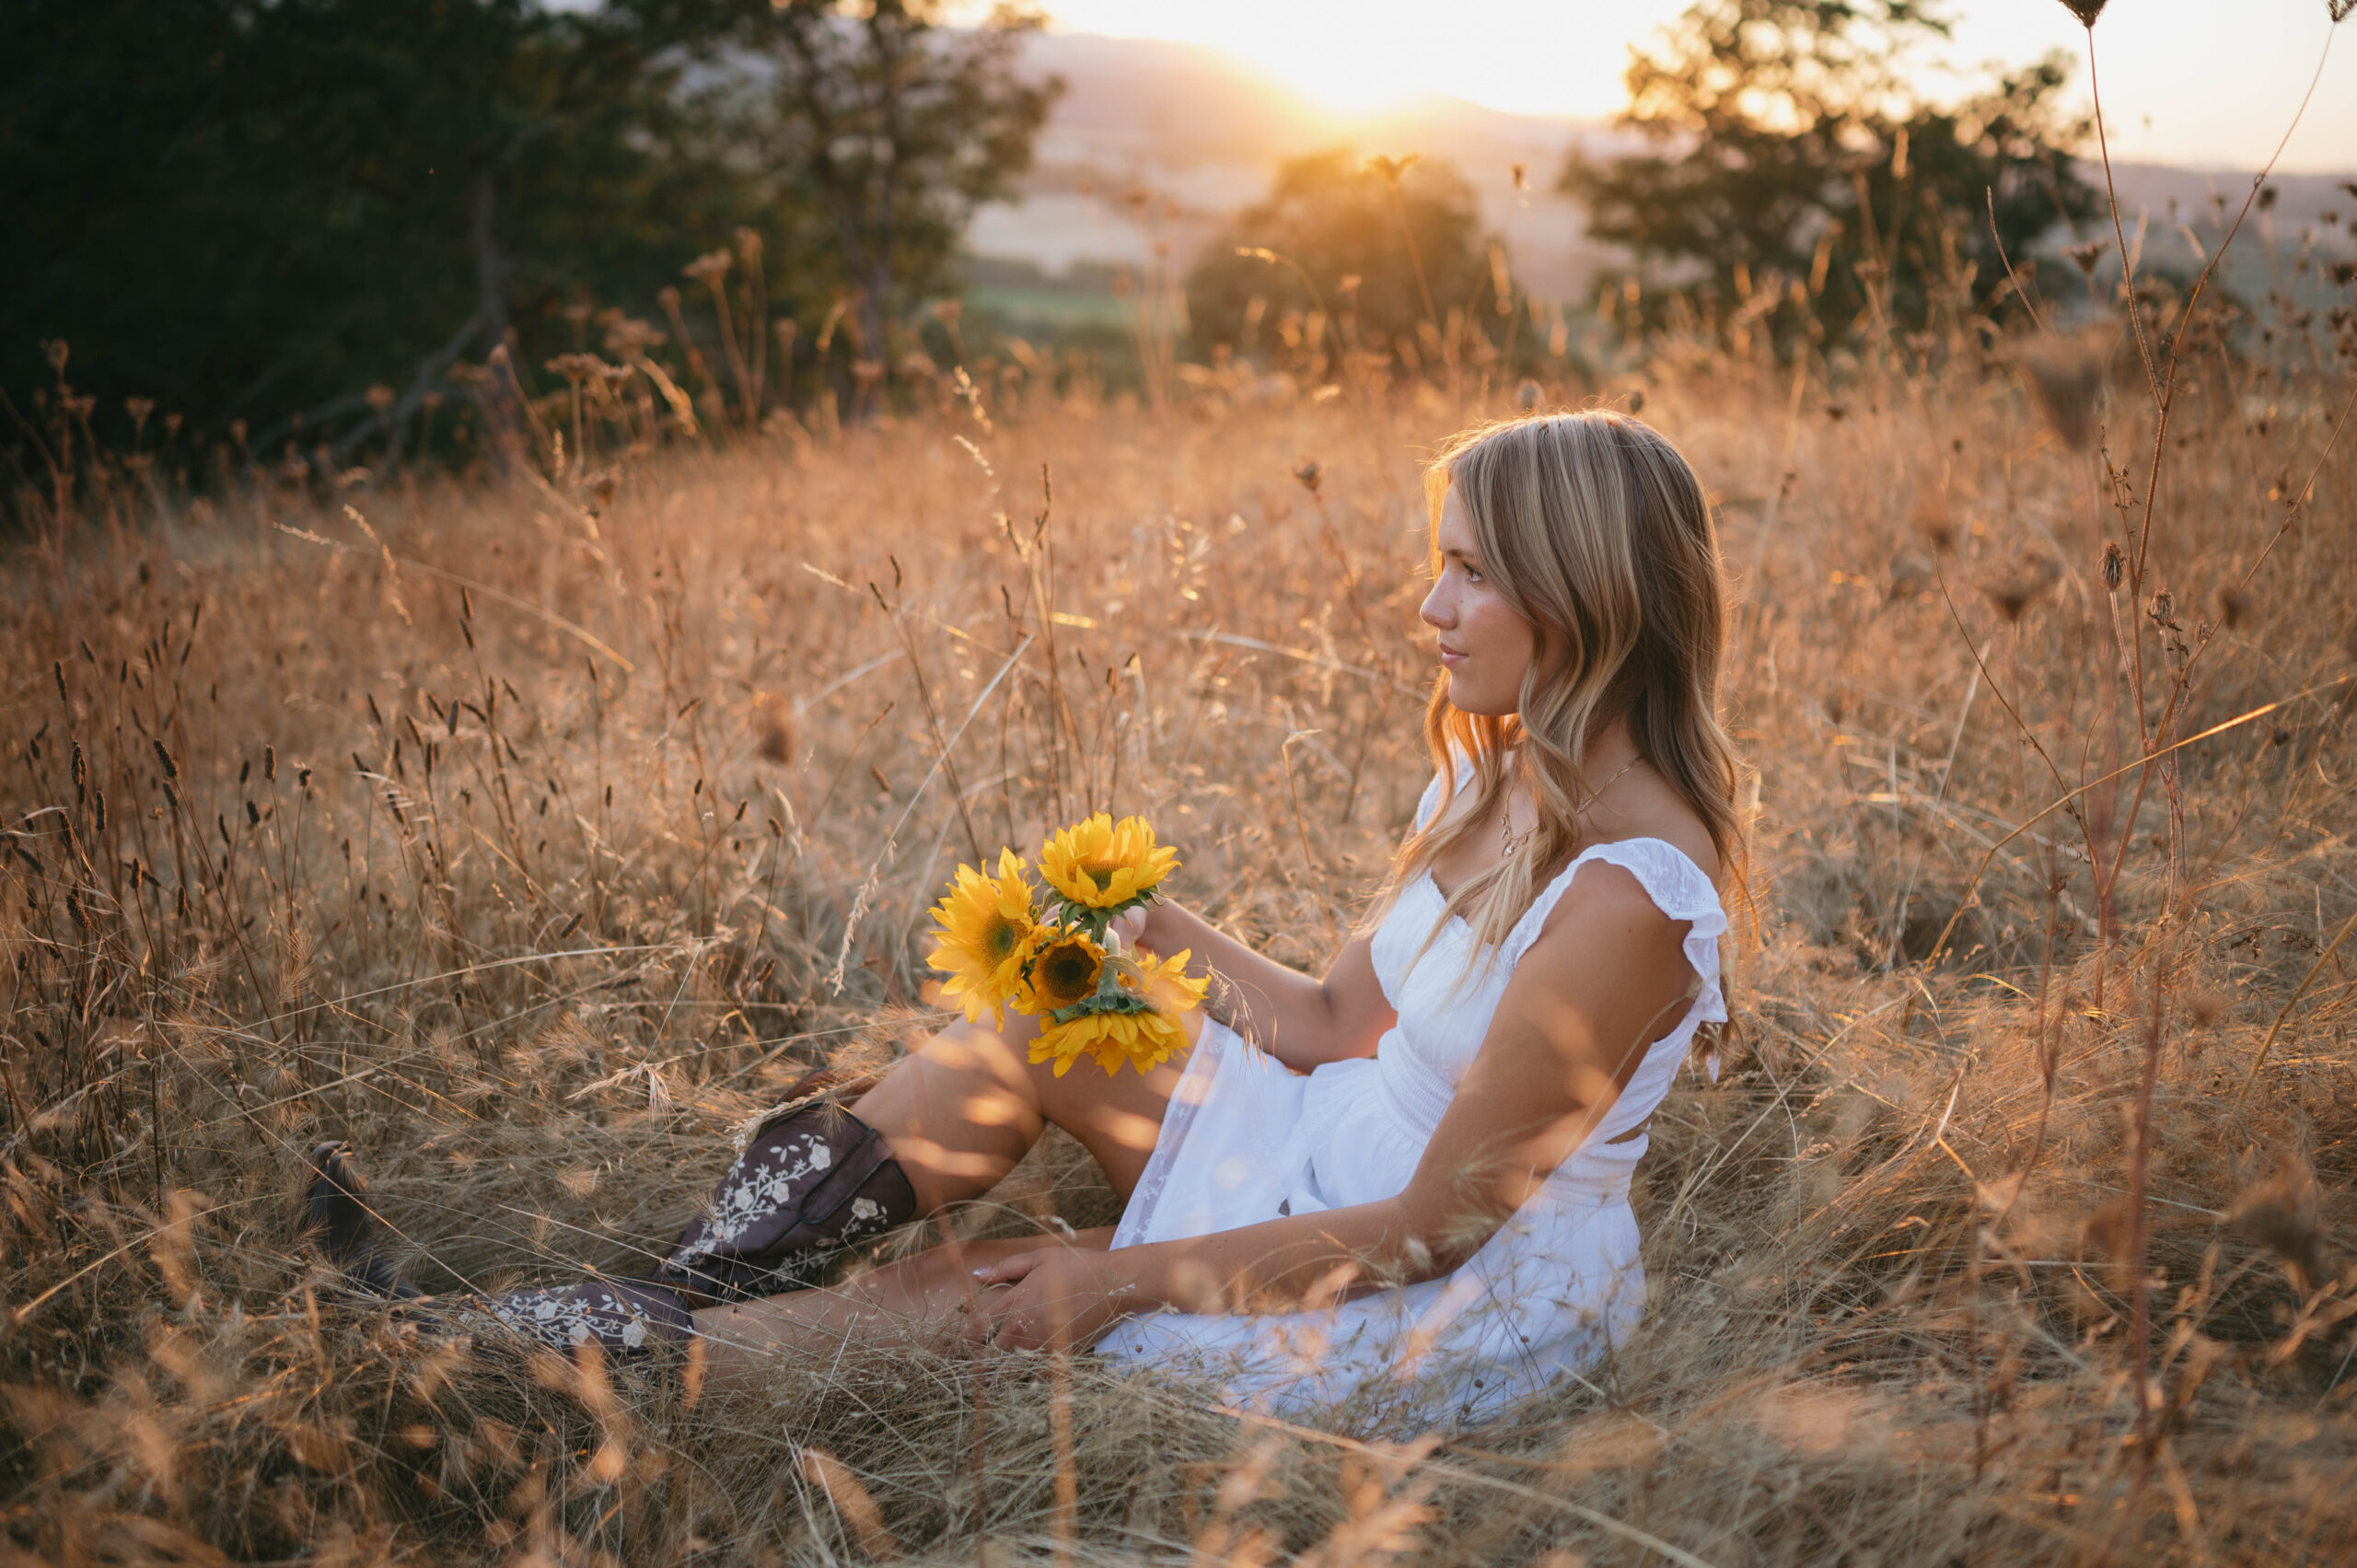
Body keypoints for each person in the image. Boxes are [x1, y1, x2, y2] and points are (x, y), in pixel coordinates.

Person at [303, 409, 1739, 1429]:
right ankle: (661, 1290)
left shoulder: (1630, 898)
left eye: (1473, 570)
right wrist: (1148, 920)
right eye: (1444, 560)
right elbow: (1322, 1024)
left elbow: (1435, 1230)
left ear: (1583, 588)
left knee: (982, 1294)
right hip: (1344, 1143)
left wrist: (1112, 1281)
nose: (1431, 603)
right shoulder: (1502, 775)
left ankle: (494, 1380)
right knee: (1049, 1016)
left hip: (1444, 1286)